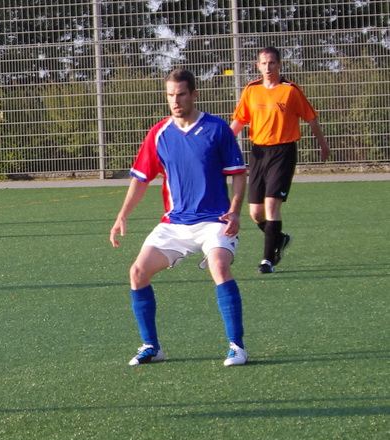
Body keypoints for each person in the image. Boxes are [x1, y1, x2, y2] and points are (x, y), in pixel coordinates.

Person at [110, 69, 248, 367]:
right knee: (137, 272)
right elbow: (141, 179)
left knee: (219, 266)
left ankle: (237, 347)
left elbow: (238, 175)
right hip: (175, 224)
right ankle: (151, 346)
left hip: (215, 221)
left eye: (181, 94)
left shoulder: (217, 129)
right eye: (170, 95)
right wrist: (122, 215)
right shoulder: (159, 134)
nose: (175, 100)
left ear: (194, 94)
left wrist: (236, 210)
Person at [231, 46, 330, 274]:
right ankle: (279, 238)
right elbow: (239, 121)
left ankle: (267, 260)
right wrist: (221, 144)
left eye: (272, 63)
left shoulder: (290, 91)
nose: (268, 67)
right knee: (256, 213)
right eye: (264, 63)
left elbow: (311, 118)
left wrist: (323, 144)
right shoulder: (251, 90)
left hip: (283, 152)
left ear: (279, 65)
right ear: (258, 66)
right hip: (258, 153)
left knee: (271, 205)